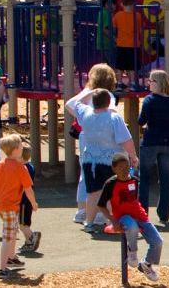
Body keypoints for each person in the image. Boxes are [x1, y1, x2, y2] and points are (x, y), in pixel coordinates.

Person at [65, 83, 136, 234]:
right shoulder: (114, 118)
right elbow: (126, 139)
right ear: (109, 102)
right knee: (112, 193)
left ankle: (89, 222)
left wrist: (88, 92)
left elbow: (75, 103)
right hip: (109, 161)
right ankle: (114, 222)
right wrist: (133, 155)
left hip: (90, 160)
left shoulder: (85, 114)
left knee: (92, 192)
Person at [0, 134, 39, 279]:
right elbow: (28, 189)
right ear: (16, 149)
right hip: (9, 206)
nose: (23, 146)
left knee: (12, 231)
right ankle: (2, 268)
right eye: (21, 145)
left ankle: (11, 258)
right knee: (8, 237)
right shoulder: (20, 168)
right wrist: (34, 203)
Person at [97, 153, 162, 281]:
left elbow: (135, 200)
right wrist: (113, 220)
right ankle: (132, 252)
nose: (124, 170)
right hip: (122, 216)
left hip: (139, 215)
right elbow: (101, 205)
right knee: (132, 226)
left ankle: (146, 264)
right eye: (120, 167)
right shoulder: (110, 184)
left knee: (158, 241)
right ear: (114, 168)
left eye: (126, 167)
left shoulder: (134, 180)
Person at [137, 69, 169, 224]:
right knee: (165, 178)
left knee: (144, 179)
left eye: (151, 81)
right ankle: (164, 213)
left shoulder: (150, 100)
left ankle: (142, 213)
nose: (149, 83)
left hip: (150, 141)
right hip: (168, 141)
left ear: (158, 83)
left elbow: (141, 121)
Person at [111, 0, 142, 76]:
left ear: (122, 4)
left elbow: (113, 29)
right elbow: (140, 30)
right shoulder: (138, 16)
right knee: (132, 66)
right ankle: (132, 82)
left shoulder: (117, 15)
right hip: (134, 44)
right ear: (133, 4)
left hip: (121, 43)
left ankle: (119, 83)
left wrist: (115, 38)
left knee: (120, 66)